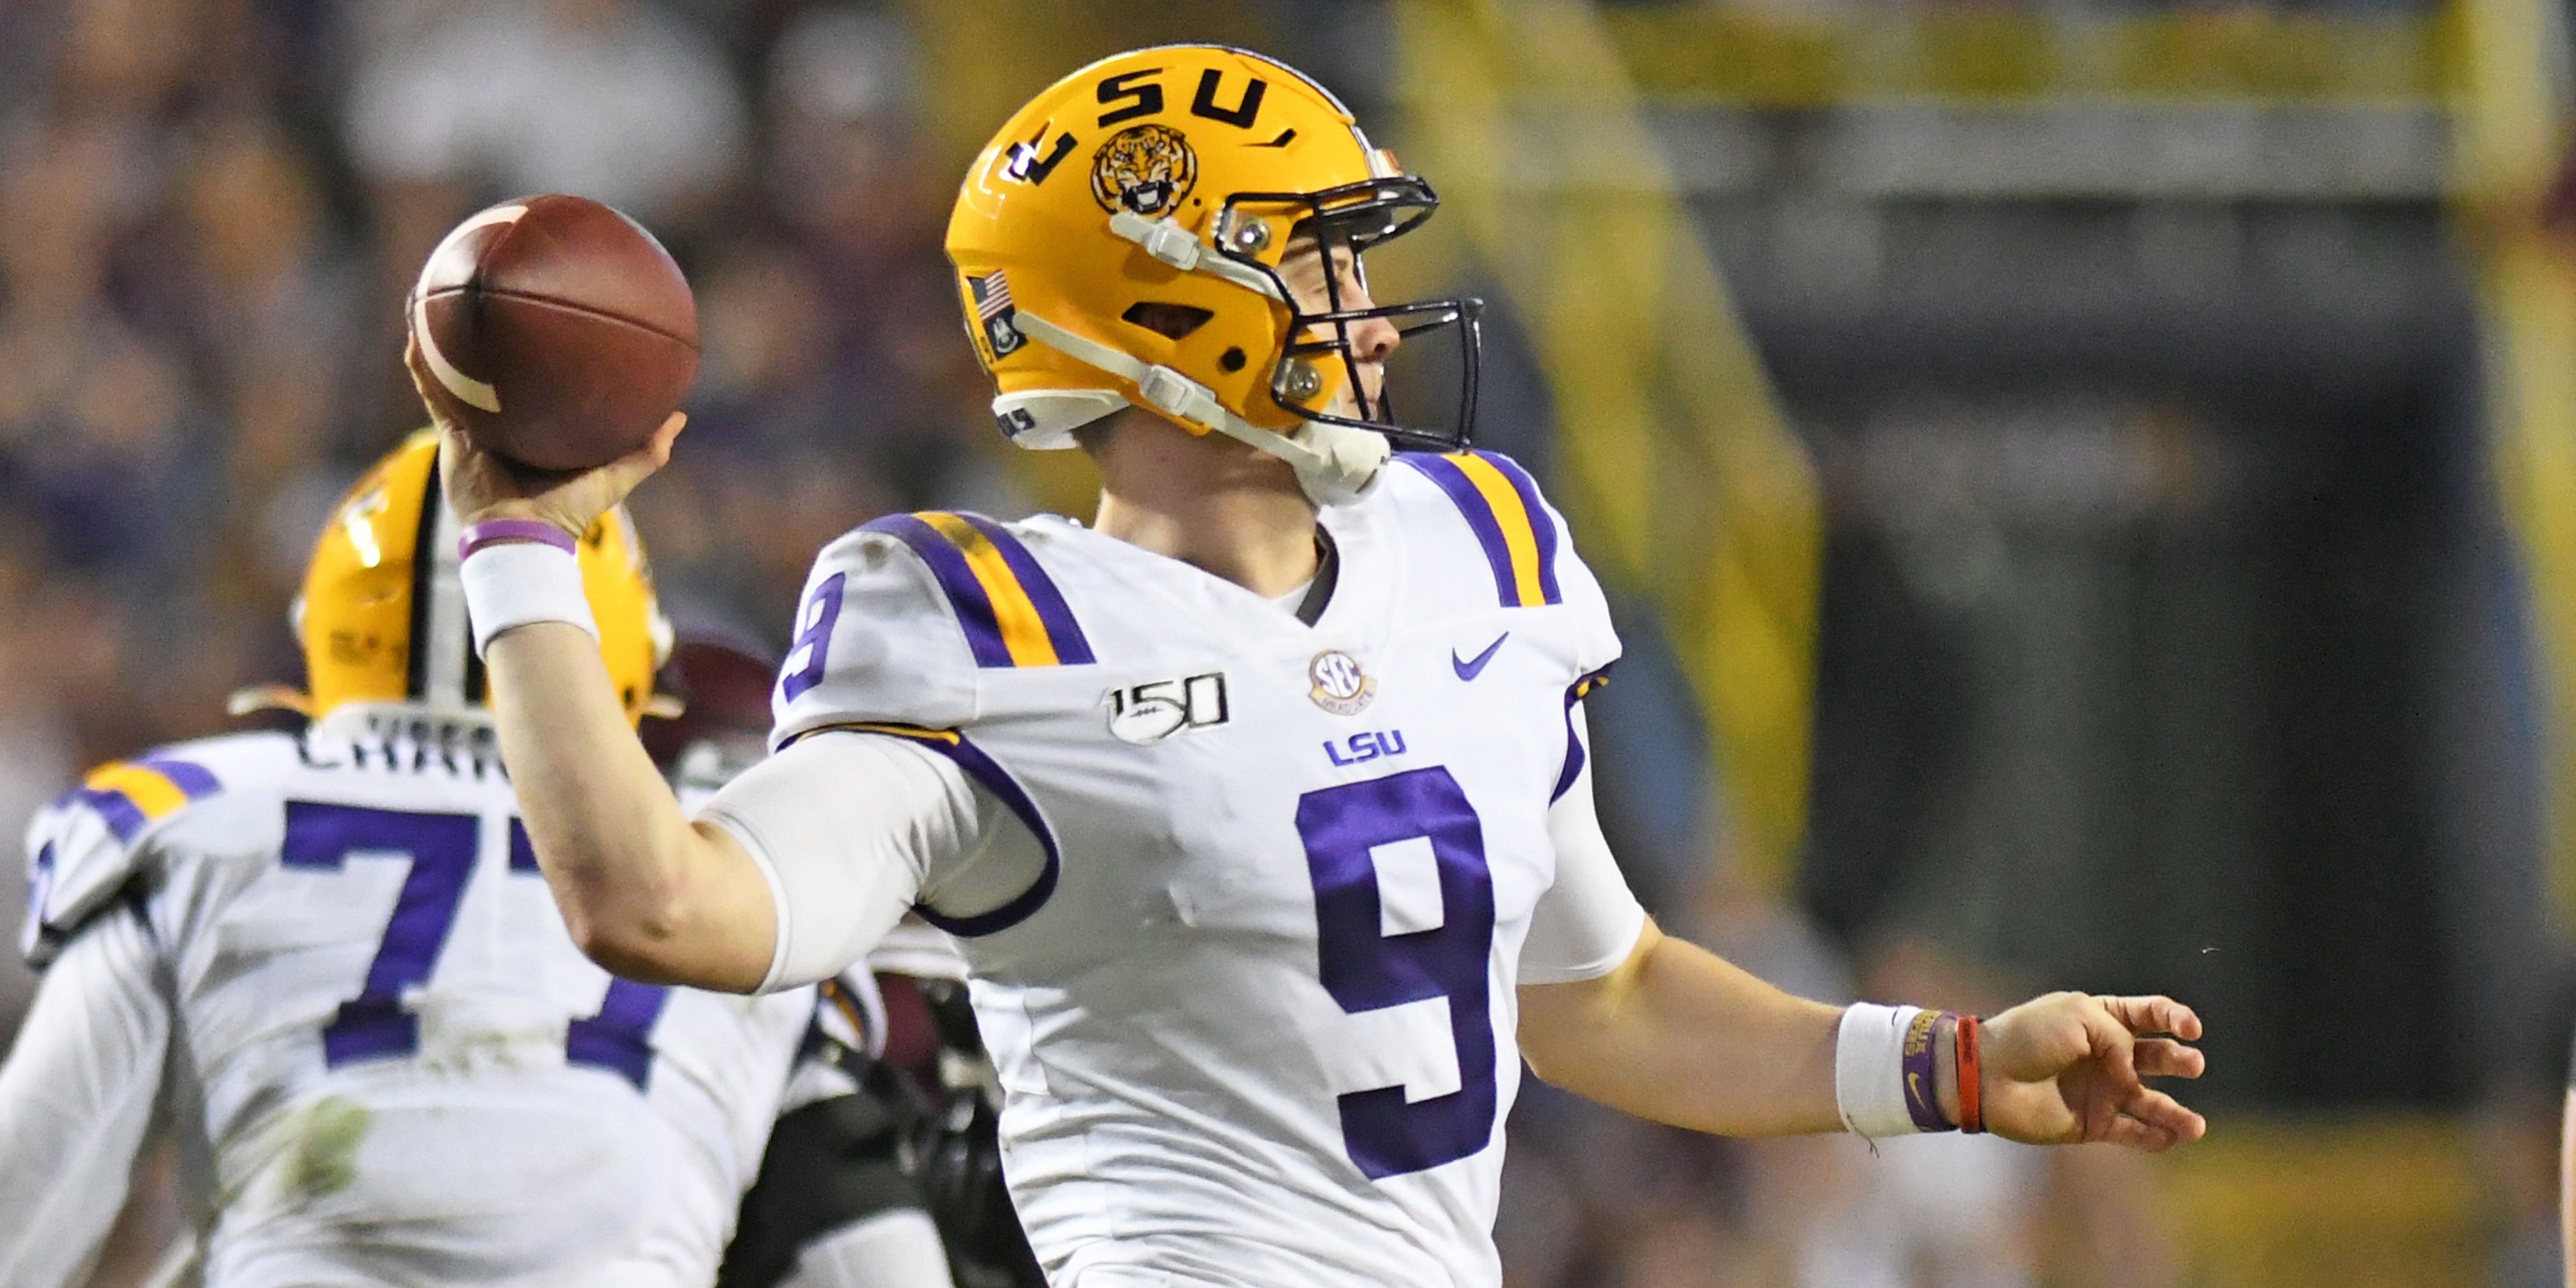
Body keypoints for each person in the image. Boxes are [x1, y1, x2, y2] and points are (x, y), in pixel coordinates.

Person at [430, 46, 2209, 1288]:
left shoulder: (1478, 545)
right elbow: (658, 905)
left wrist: (1953, 1069)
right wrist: (517, 530)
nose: (1373, 309)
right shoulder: (983, 633)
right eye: (1321, 260)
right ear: (1165, 301)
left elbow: (1596, 991)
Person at [0, 431, 950, 1288]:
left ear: (325, 632)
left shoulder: (202, 822)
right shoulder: (705, 870)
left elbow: (26, 1205)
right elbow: (867, 1257)